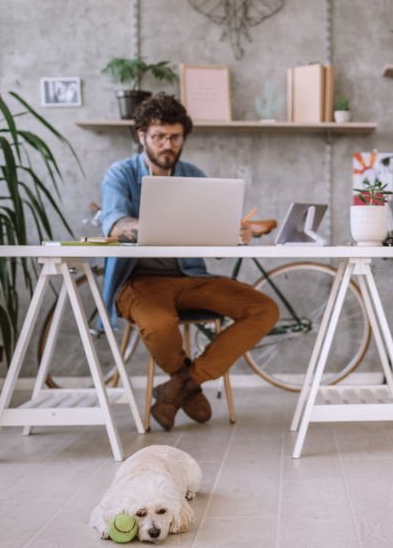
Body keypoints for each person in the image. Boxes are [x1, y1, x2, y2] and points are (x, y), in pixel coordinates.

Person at [99, 93, 278, 430]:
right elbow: (115, 225)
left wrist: (234, 235)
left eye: (175, 137)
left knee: (264, 309)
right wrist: (156, 225)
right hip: (139, 281)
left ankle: (181, 385)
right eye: (159, 136)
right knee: (161, 324)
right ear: (141, 136)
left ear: (183, 137)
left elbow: (218, 245)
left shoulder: (194, 174)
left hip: (190, 276)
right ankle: (186, 385)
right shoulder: (120, 174)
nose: (167, 144)